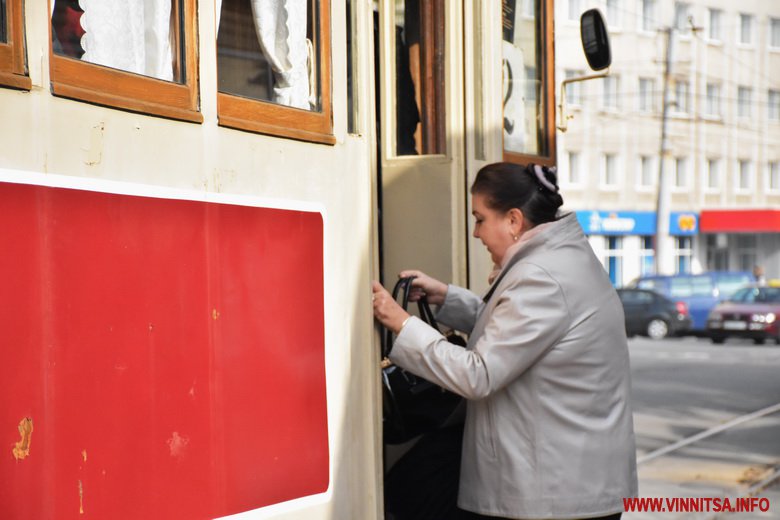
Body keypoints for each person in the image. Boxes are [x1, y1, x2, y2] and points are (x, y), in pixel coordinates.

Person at [372, 162, 638, 520]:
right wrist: (446, 297)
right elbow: (520, 335)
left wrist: (402, 324)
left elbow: (478, 374)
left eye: (480, 219)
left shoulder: (540, 277)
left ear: (513, 220)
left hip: (553, 497)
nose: (476, 232)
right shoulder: (560, 259)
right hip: (571, 483)